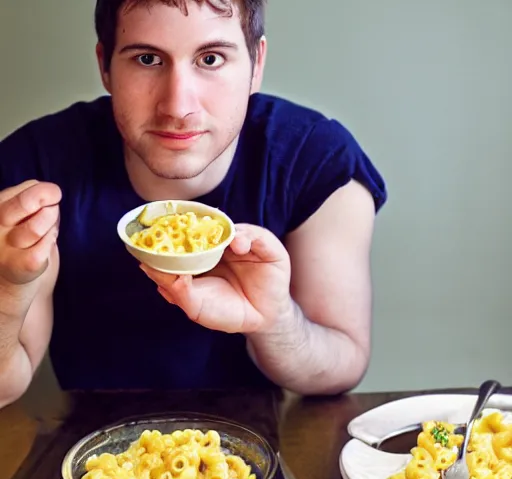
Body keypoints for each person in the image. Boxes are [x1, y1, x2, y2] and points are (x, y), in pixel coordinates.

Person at [0, 0, 387, 409]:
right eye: (147, 59)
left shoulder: (317, 162)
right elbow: (7, 385)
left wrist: (273, 320)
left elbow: (344, 366)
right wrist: (8, 289)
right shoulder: (34, 170)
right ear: (105, 67)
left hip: (257, 448)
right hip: (93, 456)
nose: (178, 107)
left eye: (211, 58)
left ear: (256, 64)